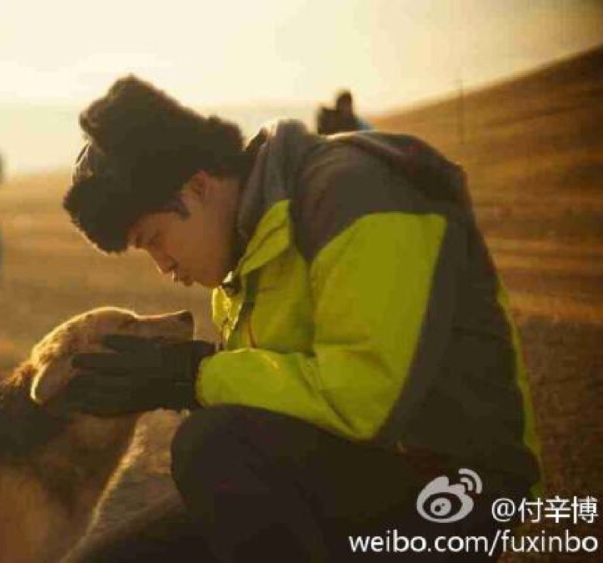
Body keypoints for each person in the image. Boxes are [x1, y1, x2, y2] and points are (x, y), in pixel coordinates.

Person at [57, 76, 541, 561]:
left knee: (213, 446)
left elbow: (365, 401)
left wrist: (195, 375)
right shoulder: (243, 256)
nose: (162, 267)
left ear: (198, 186)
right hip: (340, 476)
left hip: (455, 488)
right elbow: (274, 416)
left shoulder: (354, 194)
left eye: (155, 239)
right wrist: (183, 379)